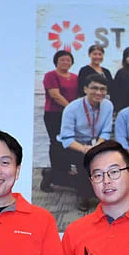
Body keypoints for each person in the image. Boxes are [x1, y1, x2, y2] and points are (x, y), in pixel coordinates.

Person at [57, 73, 114, 212]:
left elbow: (106, 132)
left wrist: (97, 146)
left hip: (95, 143)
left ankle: (105, 191)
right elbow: (67, 139)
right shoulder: (72, 108)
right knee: (84, 162)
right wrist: (84, 149)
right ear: (85, 89)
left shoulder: (108, 105)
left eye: (102, 89)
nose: (98, 92)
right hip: (74, 144)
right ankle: (83, 196)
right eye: (94, 88)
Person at [40, 50, 80, 193]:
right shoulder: (51, 75)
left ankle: (65, 170)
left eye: (68, 60)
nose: (65, 62)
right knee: (57, 143)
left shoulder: (75, 77)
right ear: (56, 61)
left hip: (70, 115)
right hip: (54, 114)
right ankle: (52, 174)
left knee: (69, 143)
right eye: (62, 59)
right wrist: (71, 109)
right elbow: (55, 95)